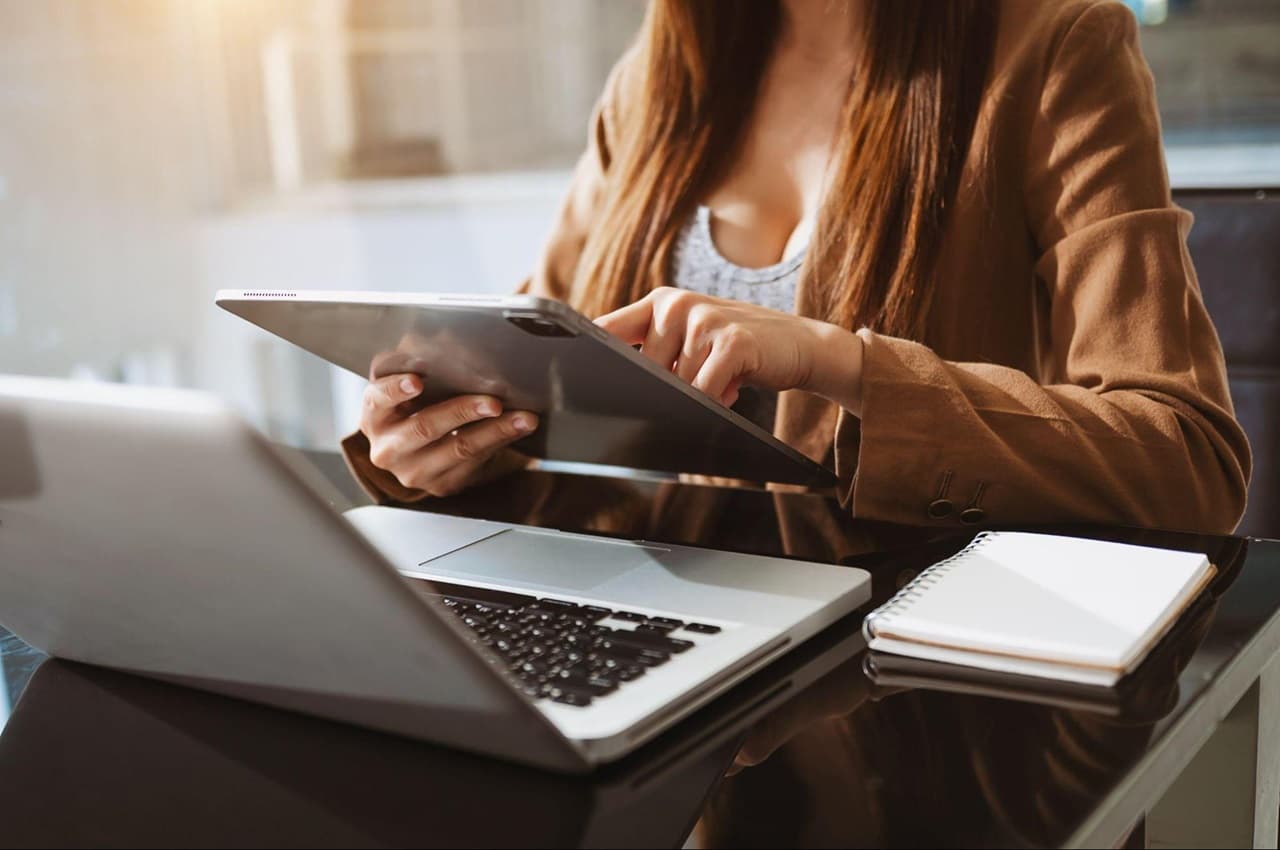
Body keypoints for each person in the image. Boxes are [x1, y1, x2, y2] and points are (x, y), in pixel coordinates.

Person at [343, 0, 1251, 534]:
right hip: (674, 635)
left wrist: (838, 361)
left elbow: (1186, 464)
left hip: (914, 683)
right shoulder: (659, 73)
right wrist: (438, 445)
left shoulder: (1056, 45)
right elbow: (534, 376)